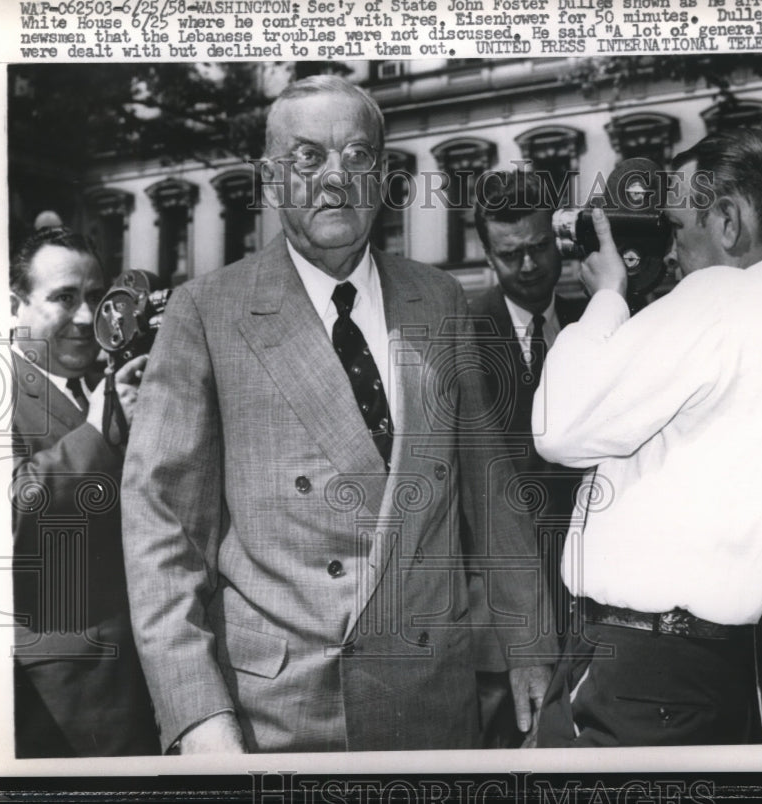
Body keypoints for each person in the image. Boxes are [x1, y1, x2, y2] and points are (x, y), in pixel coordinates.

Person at [120, 76, 556, 755]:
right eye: (307, 157)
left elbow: (490, 488)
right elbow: (161, 527)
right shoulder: (208, 311)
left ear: (383, 176)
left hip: (432, 700)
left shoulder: (439, 300)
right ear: (269, 180)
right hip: (283, 713)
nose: (336, 178)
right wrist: (196, 712)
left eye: (357, 156)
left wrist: (528, 640)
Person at [531, 129, 762, 747]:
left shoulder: (717, 300)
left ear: (728, 221)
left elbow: (556, 427)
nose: (673, 251)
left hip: (640, 664)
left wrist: (604, 299)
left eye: (679, 226)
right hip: (728, 664)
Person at [9, 226, 157, 757]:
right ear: (15, 305)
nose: (84, 315)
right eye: (63, 297)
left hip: (146, 680)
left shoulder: (111, 380)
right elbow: (4, 523)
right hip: (63, 702)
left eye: (95, 296)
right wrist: (96, 432)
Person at [467, 170, 586, 746]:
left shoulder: (599, 322)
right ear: (488, 256)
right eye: (511, 255)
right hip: (499, 611)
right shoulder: (459, 333)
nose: (531, 266)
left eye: (539, 248)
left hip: (591, 593)